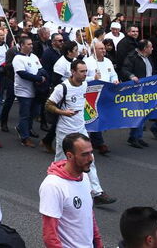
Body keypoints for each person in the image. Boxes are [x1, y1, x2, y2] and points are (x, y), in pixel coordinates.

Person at [45, 60, 115, 206]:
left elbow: (95, 83)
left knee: (90, 159)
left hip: (81, 129)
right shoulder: (62, 87)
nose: (84, 74)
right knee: (60, 161)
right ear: (73, 72)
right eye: (82, 71)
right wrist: (63, 112)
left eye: (85, 71)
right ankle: (52, 188)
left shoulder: (85, 84)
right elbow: (48, 105)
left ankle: (96, 192)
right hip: (65, 132)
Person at [39, 133, 104, 248]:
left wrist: (98, 243)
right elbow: (50, 235)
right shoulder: (53, 186)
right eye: (85, 154)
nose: (91, 159)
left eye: (91, 152)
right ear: (69, 156)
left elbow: (89, 216)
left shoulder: (84, 177)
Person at [13, 36, 47, 148]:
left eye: (31, 44)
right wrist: (37, 79)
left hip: (35, 90)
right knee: (25, 114)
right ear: (22, 45)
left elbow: (41, 69)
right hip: (24, 90)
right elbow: (22, 74)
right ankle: (24, 137)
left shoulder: (33, 56)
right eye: (28, 44)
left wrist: (41, 76)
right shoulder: (18, 59)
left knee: (35, 112)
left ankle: (25, 128)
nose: (31, 46)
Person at [121, 40, 154, 148]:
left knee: (144, 114)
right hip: (137, 90)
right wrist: (131, 76)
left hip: (147, 89)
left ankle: (137, 137)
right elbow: (125, 70)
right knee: (139, 113)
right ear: (145, 48)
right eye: (150, 47)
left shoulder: (148, 57)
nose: (152, 49)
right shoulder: (132, 57)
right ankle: (134, 137)